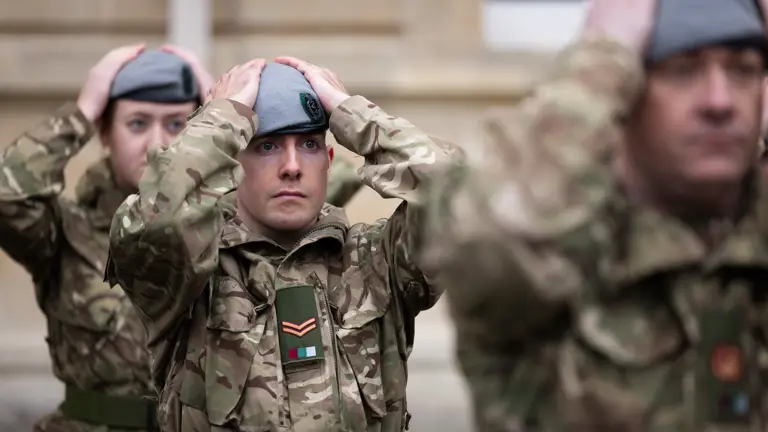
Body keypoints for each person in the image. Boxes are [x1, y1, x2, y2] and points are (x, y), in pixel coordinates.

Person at [421, 0, 768, 430]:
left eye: (743, 69)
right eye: (683, 70)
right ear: (623, 94)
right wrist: (602, 58)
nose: (720, 101)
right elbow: (488, 239)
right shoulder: (573, 249)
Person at [0, 44, 362, 431]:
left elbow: (326, 171)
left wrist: (221, 114)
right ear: (104, 133)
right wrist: (82, 112)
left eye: (176, 124)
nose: (157, 143)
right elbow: (8, 199)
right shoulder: (66, 229)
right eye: (137, 124)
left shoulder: (238, 222)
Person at [105, 58, 461, 431]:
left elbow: (461, 195)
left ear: (328, 161)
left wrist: (350, 112)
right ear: (233, 164)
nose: (292, 166)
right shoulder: (193, 272)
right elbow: (152, 223)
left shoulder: (376, 262)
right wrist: (221, 121)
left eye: (308, 144)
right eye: (268, 145)